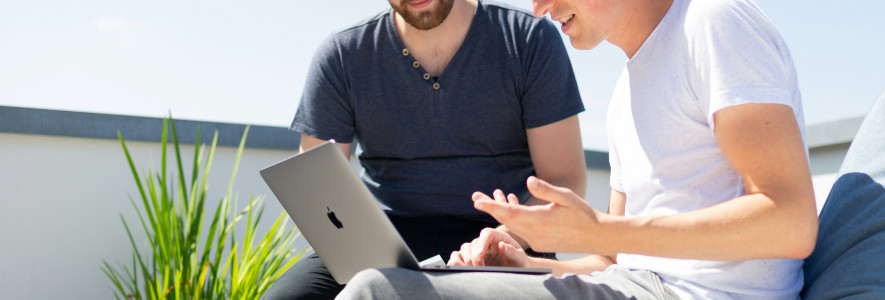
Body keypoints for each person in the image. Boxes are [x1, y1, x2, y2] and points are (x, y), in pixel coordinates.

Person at [336, 0, 819, 299]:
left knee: (380, 292)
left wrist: (602, 228)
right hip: (635, 287)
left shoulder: (713, 22)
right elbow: (612, 261)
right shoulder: (625, 93)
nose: (540, 7)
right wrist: (529, 265)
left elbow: (791, 223)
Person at [262, 0, 587, 299]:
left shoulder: (528, 39)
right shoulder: (342, 54)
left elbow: (563, 179)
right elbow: (317, 190)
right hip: (383, 238)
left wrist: (507, 236)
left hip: (507, 234)